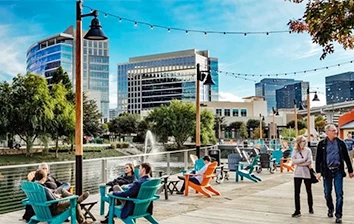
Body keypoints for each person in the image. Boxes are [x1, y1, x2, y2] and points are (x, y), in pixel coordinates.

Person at [316, 124, 354, 223]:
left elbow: (347, 157)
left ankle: (338, 215)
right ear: (327, 132)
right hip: (327, 171)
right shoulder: (322, 144)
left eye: (335, 130)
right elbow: (318, 159)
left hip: (338, 171)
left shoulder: (341, 143)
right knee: (327, 193)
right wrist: (318, 172)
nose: (335, 132)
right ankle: (330, 208)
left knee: (339, 193)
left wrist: (350, 171)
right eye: (333, 130)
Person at [291, 135, 313, 218]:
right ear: (299, 142)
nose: (304, 142)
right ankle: (297, 210)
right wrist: (303, 160)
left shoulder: (308, 150)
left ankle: (310, 207)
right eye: (303, 141)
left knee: (308, 191)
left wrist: (299, 163)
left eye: (305, 141)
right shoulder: (295, 151)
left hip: (306, 172)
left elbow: (309, 161)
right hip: (297, 173)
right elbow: (293, 161)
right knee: (297, 192)